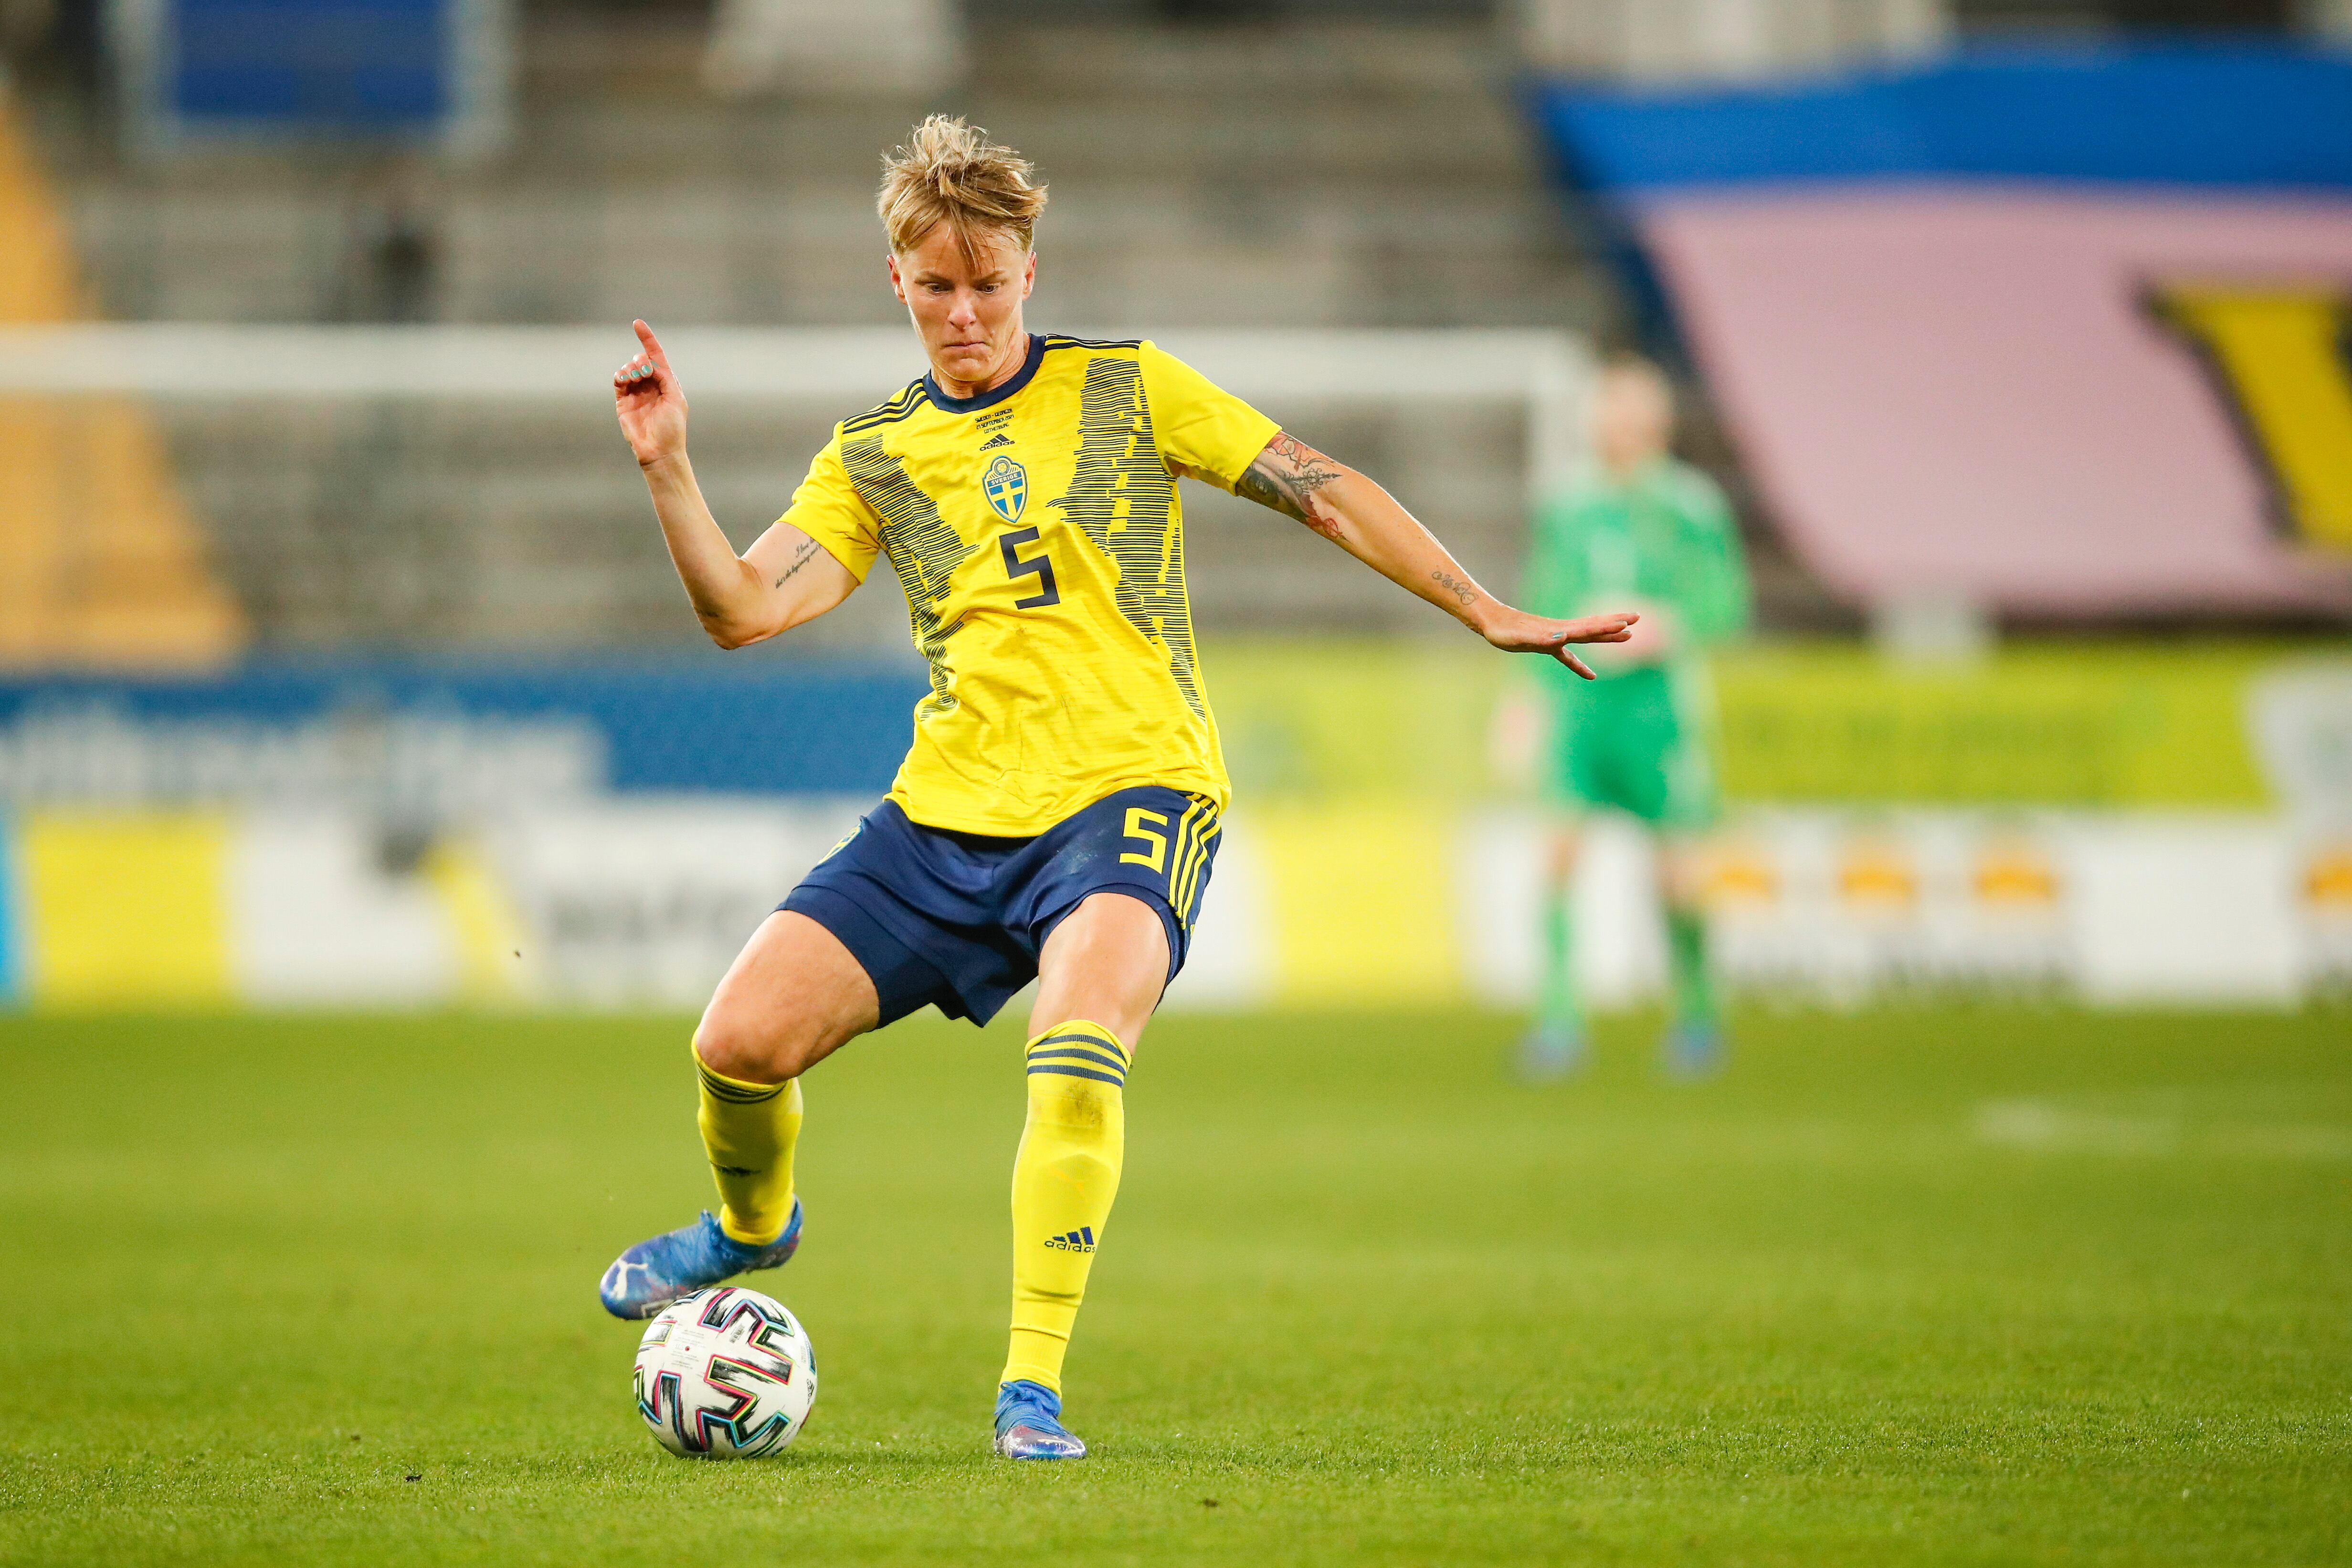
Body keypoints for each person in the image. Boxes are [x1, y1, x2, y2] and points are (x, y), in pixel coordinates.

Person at [598, 116, 1637, 1461]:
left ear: (1030, 270)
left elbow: (1320, 487)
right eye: (936, 288)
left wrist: (1481, 606)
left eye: (987, 284)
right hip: (950, 811)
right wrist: (669, 468)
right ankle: (748, 1227)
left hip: (1134, 788)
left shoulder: (1131, 384)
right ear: (897, 286)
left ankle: (1030, 1386)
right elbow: (742, 610)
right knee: (735, 1044)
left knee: (1077, 1044)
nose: (963, 313)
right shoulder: (875, 453)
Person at [1499, 355, 1751, 1080]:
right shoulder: (1568, 506)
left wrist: (1674, 625)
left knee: (1678, 871)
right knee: (1556, 856)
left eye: (1635, 407)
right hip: (1581, 707)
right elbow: (1538, 606)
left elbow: (1727, 604)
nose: (1622, 421)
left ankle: (1699, 1012)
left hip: (1657, 713)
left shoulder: (1691, 507)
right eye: (1611, 406)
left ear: (1659, 418)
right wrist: (1523, 701)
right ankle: (1557, 1020)